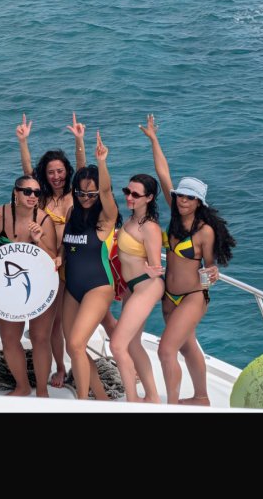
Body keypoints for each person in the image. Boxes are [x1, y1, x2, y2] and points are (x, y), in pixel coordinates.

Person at [140, 113, 236, 405]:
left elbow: (209, 266)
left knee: (166, 350)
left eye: (189, 198)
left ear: (198, 203)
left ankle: (172, 406)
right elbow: (163, 173)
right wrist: (154, 140)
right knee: (187, 346)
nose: (182, 200)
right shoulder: (174, 215)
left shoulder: (204, 231)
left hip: (193, 296)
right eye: (181, 195)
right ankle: (202, 397)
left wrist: (211, 277)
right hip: (169, 296)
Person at [15, 111, 86, 387]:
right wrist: (23, 142)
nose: (56, 176)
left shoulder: (75, 196)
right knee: (54, 323)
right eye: (51, 172)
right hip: (48, 264)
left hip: (73, 262)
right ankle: (60, 367)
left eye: (60, 171)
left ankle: (96, 360)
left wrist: (79, 140)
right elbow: (27, 174)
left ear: (66, 171)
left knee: (86, 320)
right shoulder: (40, 197)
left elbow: (83, 170)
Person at [57, 131, 119, 401]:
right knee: (74, 349)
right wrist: (59, 256)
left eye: (90, 194)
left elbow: (105, 191)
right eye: (80, 192)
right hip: (72, 286)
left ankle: (82, 402)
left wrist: (102, 161)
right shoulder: (73, 213)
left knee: (75, 343)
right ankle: (102, 399)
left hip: (98, 286)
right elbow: (68, 244)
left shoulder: (106, 217)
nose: (85, 197)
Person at [0, 175, 58, 396]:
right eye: (27, 191)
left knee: (40, 338)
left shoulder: (44, 219)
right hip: (8, 286)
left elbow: (53, 259)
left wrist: (38, 240)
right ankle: (23, 386)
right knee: (9, 339)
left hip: (40, 285)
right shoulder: (0, 214)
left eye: (37, 192)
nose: (32, 196)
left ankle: (43, 390)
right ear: (15, 192)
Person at [108, 175, 164, 403]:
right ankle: (152, 397)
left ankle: (132, 401)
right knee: (132, 344)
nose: (129, 197)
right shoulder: (131, 219)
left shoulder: (150, 227)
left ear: (149, 198)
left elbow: (156, 267)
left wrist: (150, 269)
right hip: (132, 287)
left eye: (135, 194)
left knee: (117, 345)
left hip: (146, 286)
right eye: (127, 191)